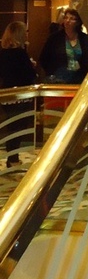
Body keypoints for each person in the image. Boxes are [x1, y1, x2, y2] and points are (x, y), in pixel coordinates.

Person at [0, 21, 38, 169]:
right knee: (19, 127)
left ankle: (12, 157)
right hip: (21, 95)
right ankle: (13, 158)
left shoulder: (3, 54)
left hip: (7, 94)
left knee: (11, 127)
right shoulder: (21, 54)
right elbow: (29, 75)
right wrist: (32, 66)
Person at [38, 8, 88, 84]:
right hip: (58, 79)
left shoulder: (84, 38)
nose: (68, 21)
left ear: (78, 22)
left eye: (72, 19)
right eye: (66, 18)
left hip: (79, 79)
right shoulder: (55, 38)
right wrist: (51, 74)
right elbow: (43, 58)